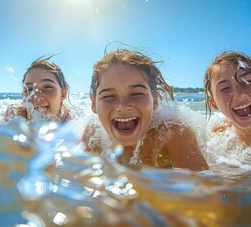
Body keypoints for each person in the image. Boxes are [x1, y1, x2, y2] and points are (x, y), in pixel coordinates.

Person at [81, 48, 209, 171]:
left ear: (154, 100)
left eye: (136, 94)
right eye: (109, 96)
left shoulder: (172, 133)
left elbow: (203, 189)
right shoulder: (93, 135)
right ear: (93, 103)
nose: (123, 106)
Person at [4, 56, 72, 122]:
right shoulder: (15, 115)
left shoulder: (73, 123)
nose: (37, 97)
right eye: (29, 89)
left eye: (47, 87)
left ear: (63, 94)